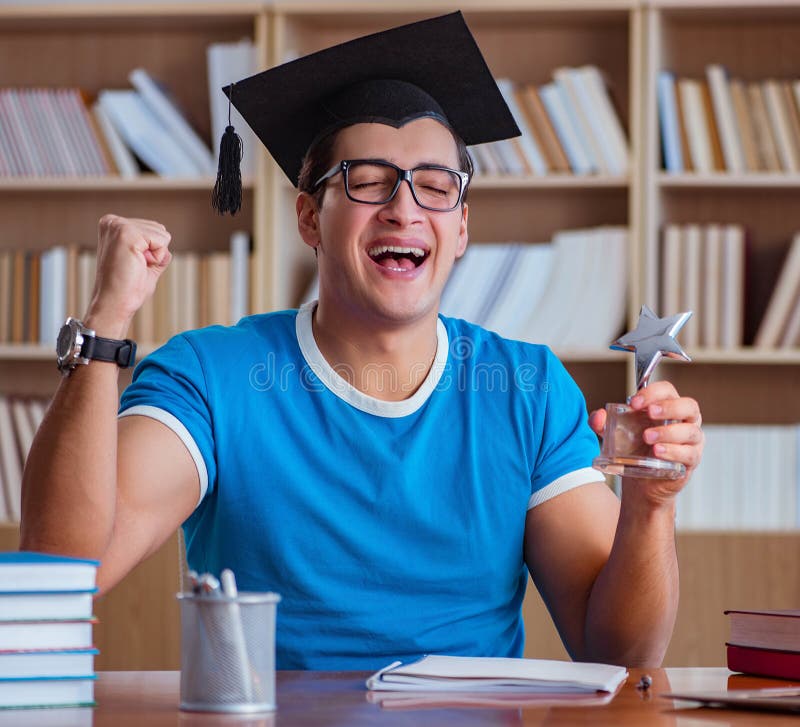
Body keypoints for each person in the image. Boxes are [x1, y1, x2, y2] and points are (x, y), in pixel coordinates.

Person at [20, 13, 704, 670]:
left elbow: (619, 654)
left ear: (461, 228)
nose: (405, 207)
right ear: (311, 217)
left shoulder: (528, 388)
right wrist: (106, 324)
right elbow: (64, 571)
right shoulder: (211, 378)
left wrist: (649, 507)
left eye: (436, 187)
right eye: (369, 182)